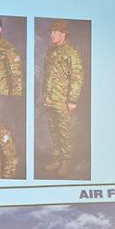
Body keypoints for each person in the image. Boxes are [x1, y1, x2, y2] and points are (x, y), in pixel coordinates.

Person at [41, 19, 84, 178]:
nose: (51, 35)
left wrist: (72, 99)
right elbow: (47, 75)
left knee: (65, 131)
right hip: (50, 99)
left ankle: (66, 161)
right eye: (51, 32)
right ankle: (58, 158)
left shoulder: (71, 52)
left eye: (55, 32)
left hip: (63, 100)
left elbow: (77, 77)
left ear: (63, 34)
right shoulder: (50, 50)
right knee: (54, 130)